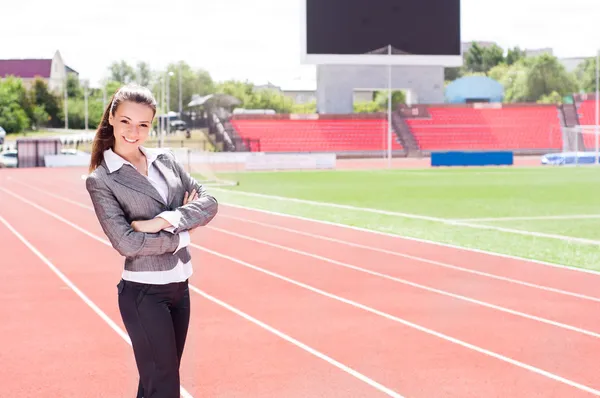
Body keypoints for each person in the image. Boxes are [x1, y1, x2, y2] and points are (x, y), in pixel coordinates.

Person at [85, 83, 218, 397]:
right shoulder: (102, 179)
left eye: (143, 124)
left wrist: (163, 221)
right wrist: (183, 233)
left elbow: (209, 202)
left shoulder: (166, 159)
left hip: (179, 286)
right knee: (165, 385)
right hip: (144, 292)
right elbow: (127, 243)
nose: (134, 131)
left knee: (154, 384)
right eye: (126, 122)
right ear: (111, 120)